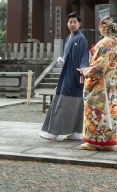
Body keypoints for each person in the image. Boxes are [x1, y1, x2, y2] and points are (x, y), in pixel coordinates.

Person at [40, 11, 89, 141]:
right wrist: (63, 61)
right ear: (67, 24)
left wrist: (83, 67)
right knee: (72, 101)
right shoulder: (69, 38)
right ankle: (76, 131)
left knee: (63, 102)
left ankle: (54, 132)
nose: (72, 24)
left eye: (74, 22)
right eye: (70, 22)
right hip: (67, 73)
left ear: (79, 24)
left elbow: (85, 55)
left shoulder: (81, 38)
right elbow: (68, 55)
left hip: (76, 74)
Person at [78, 16, 117, 151]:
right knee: (108, 112)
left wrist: (85, 71)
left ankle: (93, 142)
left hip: (99, 84)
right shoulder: (114, 43)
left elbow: (99, 66)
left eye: (100, 26)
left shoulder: (105, 43)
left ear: (102, 27)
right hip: (109, 84)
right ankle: (107, 142)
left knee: (95, 112)